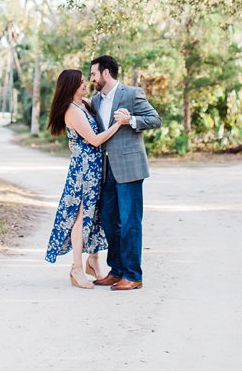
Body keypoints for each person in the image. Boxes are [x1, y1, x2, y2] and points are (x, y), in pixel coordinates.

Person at [44, 68, 123, 288]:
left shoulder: (85, 104)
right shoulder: (72, 110)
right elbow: (95, 140)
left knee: (94, 213)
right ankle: (76, 268)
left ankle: (93, 261)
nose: (85, 83)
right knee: (80, 216)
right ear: (71, 86)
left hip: (94, 166)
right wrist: (119, 124)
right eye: (80, 82)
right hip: (83, 170)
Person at [88, 54, 161, 291]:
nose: (92, 79)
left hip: (130, 168)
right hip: (106, 170)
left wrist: (131, 120)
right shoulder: (95, 101)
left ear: (105, 73)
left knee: (130, 222)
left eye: (94, 74)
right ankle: (116, 270)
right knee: (110, 222)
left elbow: (155, 120)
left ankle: (133, 275)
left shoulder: (132, 94)